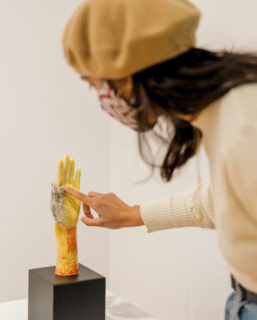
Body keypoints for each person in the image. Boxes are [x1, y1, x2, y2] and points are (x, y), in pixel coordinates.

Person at [61, 0, 257, 318]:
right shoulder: (227, 111)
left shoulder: (244, 127)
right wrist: (131, 214)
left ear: (126, 76)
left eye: (94, 84)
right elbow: (225, 202)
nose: (102, 100)